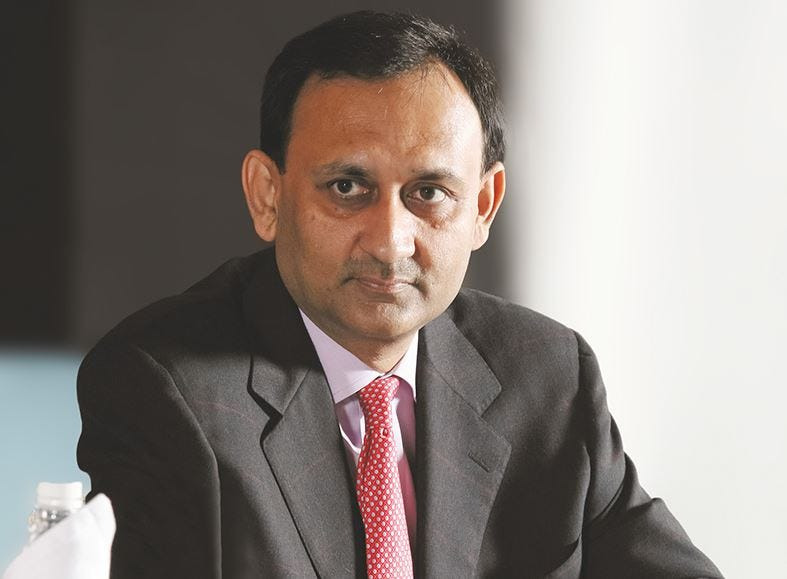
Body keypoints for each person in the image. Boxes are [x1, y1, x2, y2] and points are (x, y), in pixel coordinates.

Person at [77, 11, 722, 579]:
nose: (390, 243)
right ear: (267, 196)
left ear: (483, 205)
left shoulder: (547, 377)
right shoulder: (166, 389)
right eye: (347, 187)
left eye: (429, 193)